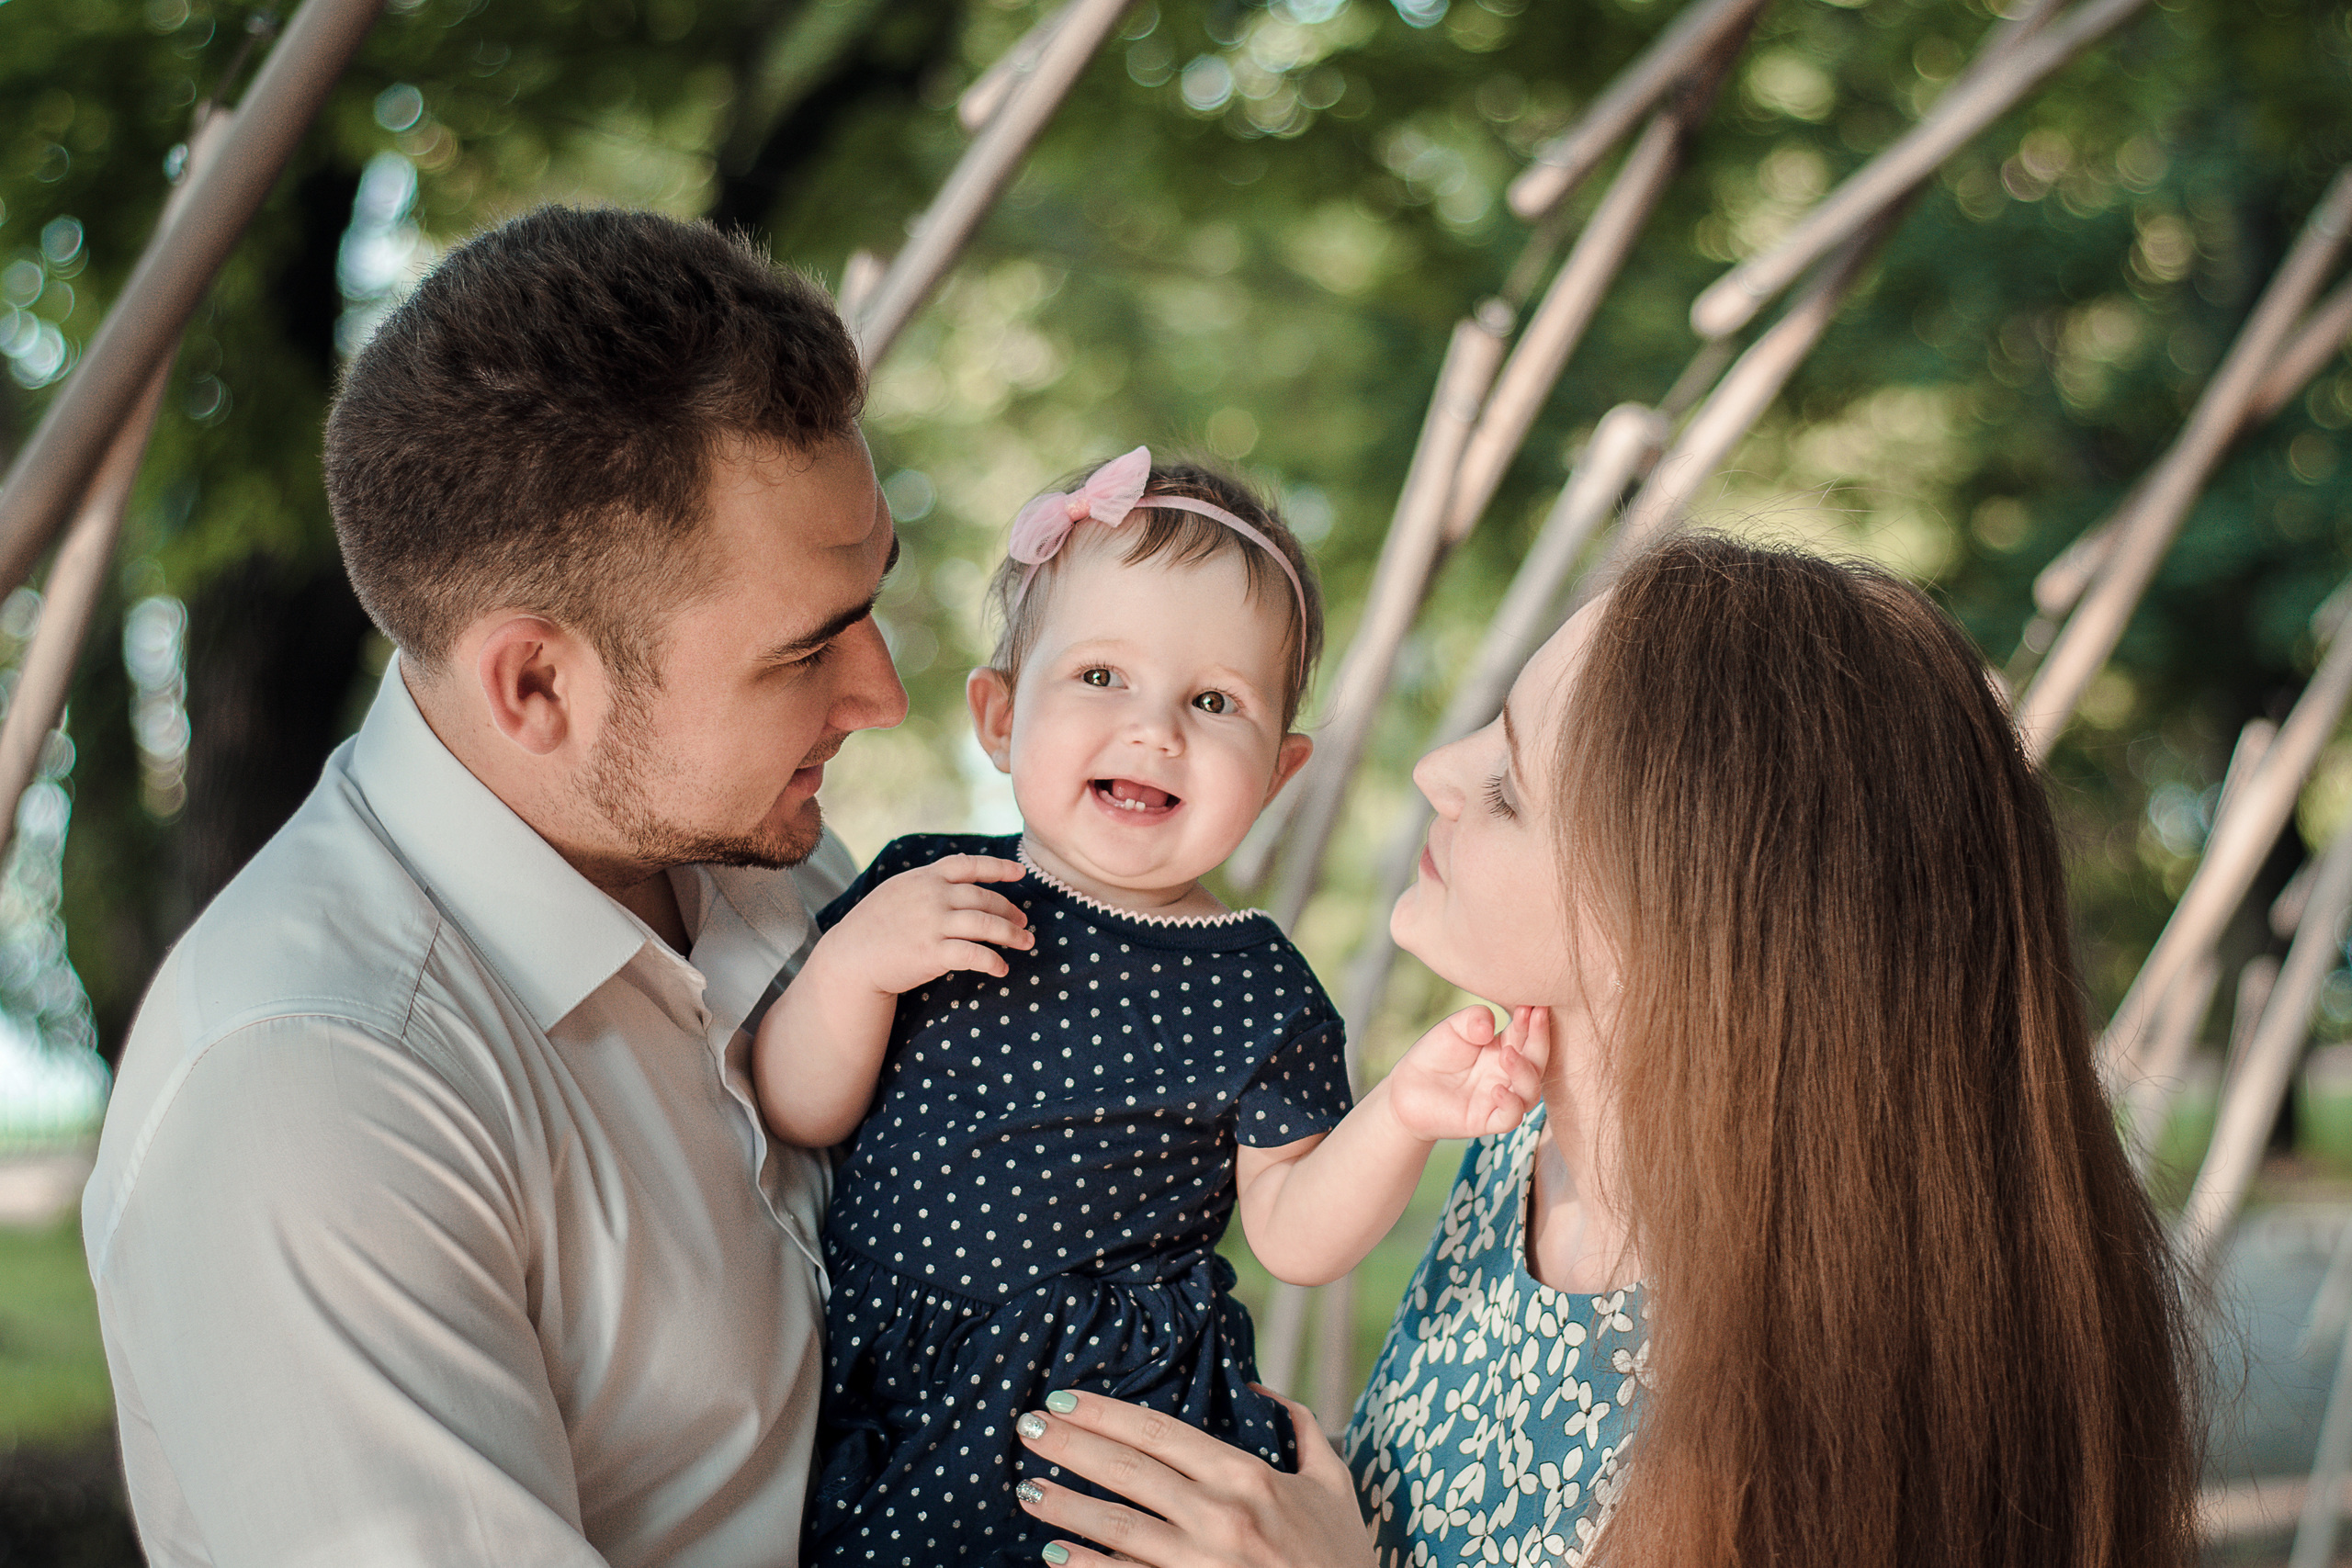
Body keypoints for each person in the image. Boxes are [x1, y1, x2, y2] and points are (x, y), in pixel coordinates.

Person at [1005, 534, 2205, 1568]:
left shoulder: (1835, 1374)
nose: (1436, 769)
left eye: (1511, 783)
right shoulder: (1518, 1138)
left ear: (1694, 926)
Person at [81, 208, 906, 1566]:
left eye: (876, 591)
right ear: (536, 683)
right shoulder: (315, 1092)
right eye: (807, 648)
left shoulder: (763, 850)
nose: (881, 693)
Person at [756, 446, 1546, 1566]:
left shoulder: (1259, 985)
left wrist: (1401, 1117)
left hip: (1103, 1418)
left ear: (1276, 774)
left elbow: (1293, 1232)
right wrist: (849, 972)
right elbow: (800, 1108)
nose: (1155, 728)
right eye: (1099, 678)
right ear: (996, 717)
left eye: (1214, 702)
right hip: (888, 1367)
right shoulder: (930, 889)